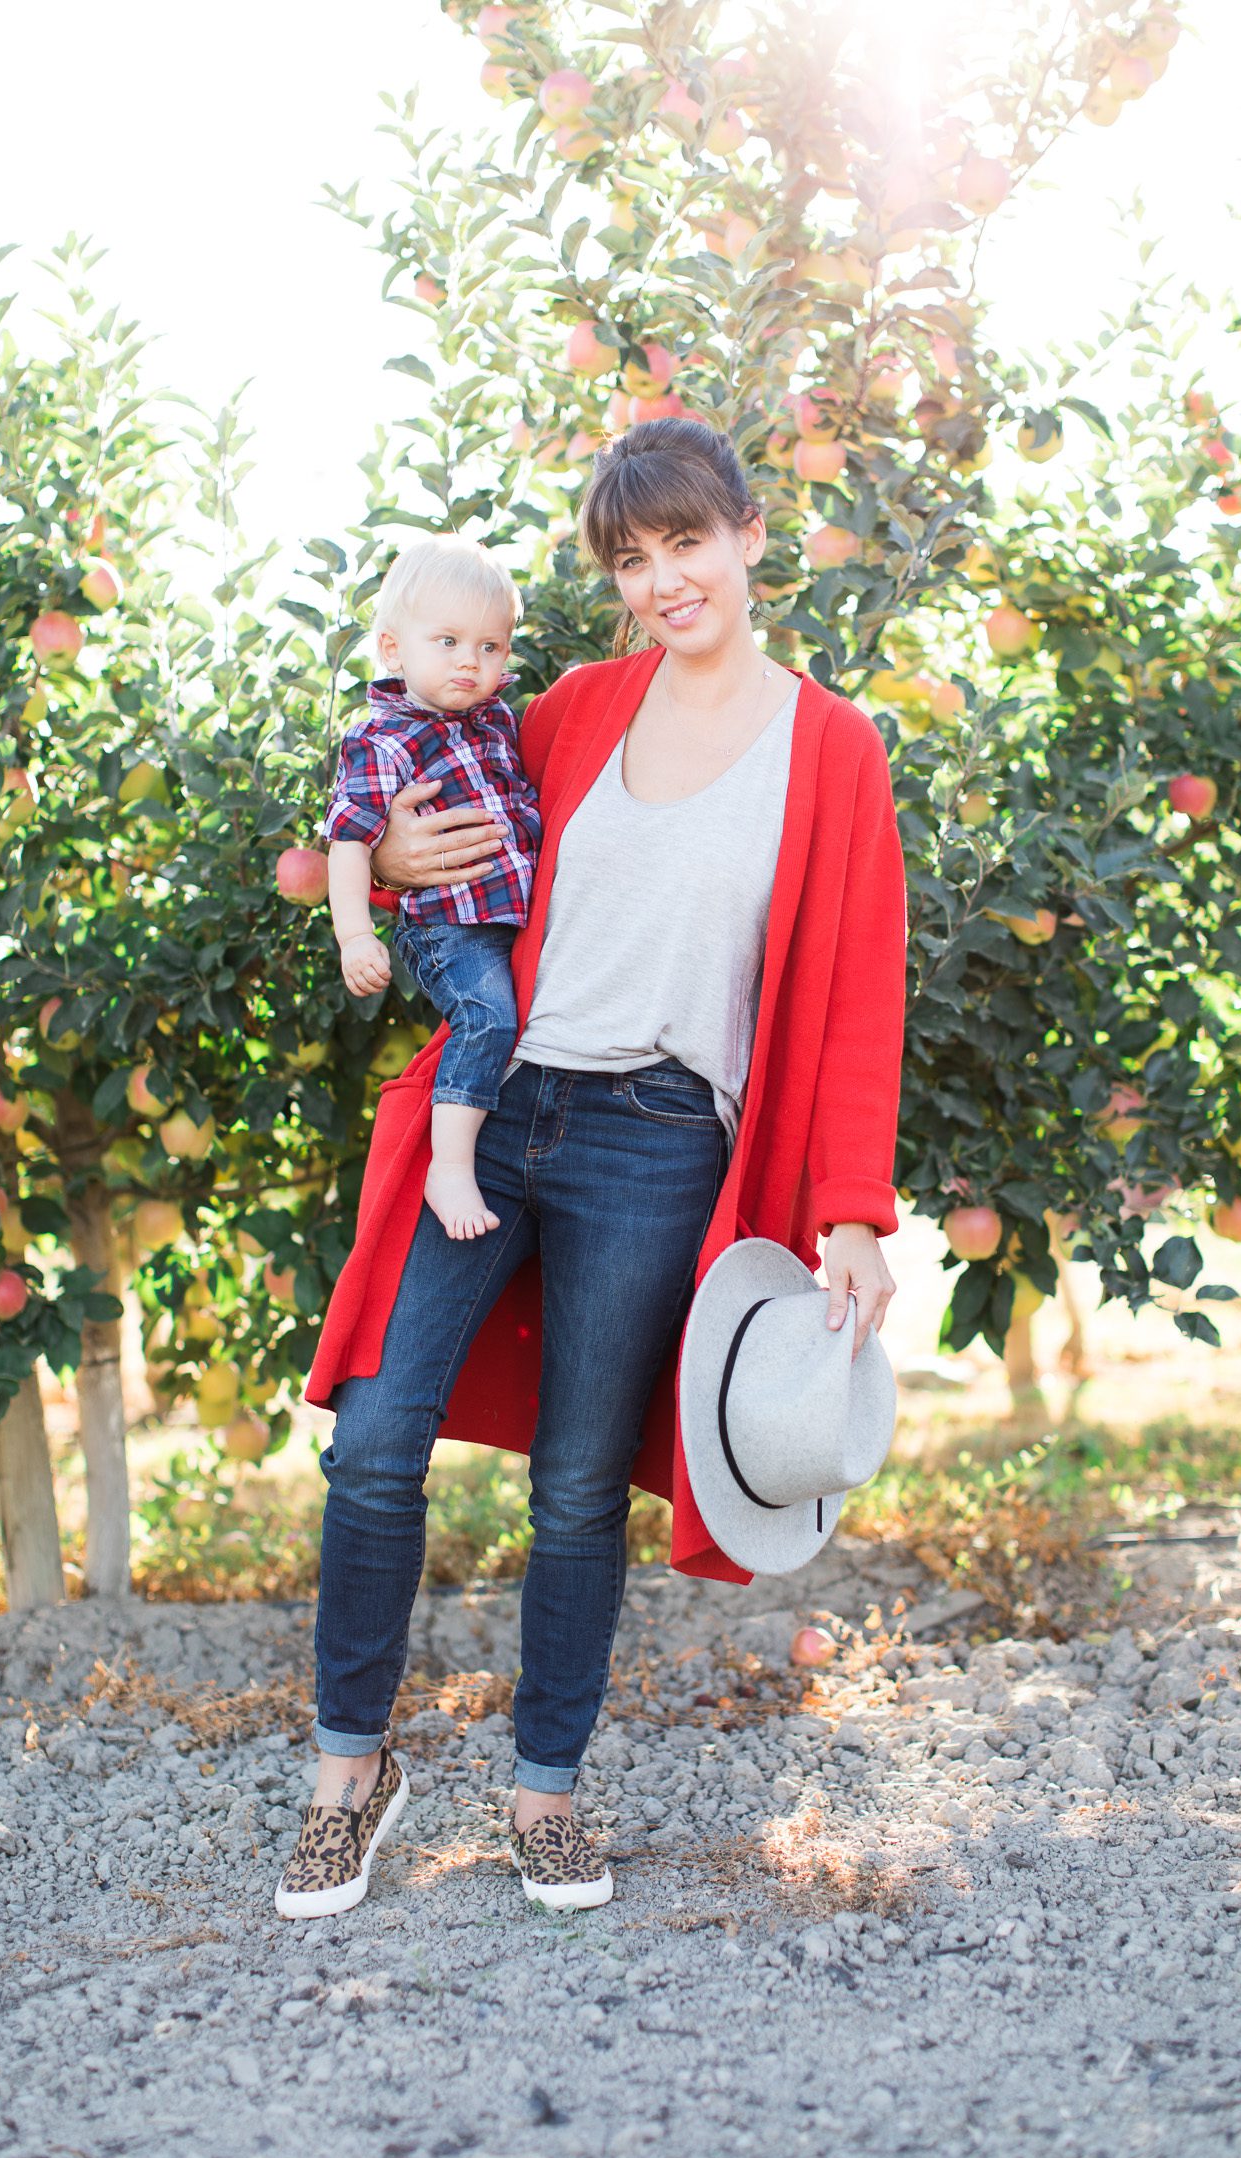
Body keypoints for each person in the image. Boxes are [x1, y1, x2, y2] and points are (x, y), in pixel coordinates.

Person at [275, 415, 907, 1921]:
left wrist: (853, 1211)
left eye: (686, 542)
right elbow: (382, 813)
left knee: (574, 1488)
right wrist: (398, 873)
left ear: (751, 535)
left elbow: (863, 984)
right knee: (375, 1439)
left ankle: (545, 1792)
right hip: (494, 1114)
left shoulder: (831, 747)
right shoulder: (568, 710)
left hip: (661, 1142)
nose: (664, 580)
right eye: (632, 559)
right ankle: (347, 1776)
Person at [323, 535, 541, 1240]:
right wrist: (355, 933)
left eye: (490, 647)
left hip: (507, 920)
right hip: (449, 928)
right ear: (393, 650)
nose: (469, 663)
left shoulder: (500, 722)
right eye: (447, 641)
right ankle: (450, 1166)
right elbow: (349, 840)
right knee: (488, 1020)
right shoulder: (383, 738)